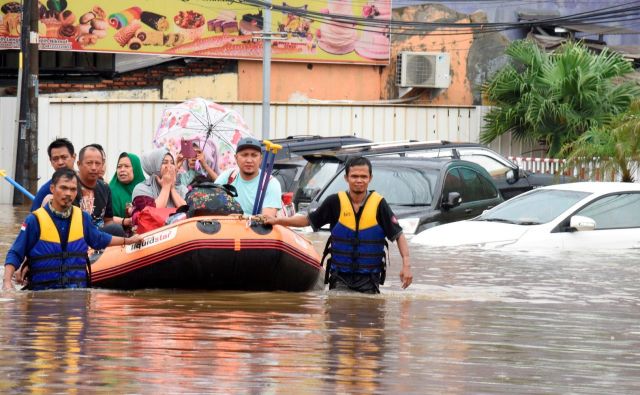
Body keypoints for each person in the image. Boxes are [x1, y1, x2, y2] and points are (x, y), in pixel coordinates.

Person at [261, 156, 412, 293]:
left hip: (369, 280)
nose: (359, 180)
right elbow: (308, 220)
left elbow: (398, 235)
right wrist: (277, 220)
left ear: (370, 178)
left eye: (363, 176)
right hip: (340, 278)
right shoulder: (334, 202)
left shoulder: (379, 204)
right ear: (346, 178)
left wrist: (406, 265)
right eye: (354, 176)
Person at [2, 168, 143, 291]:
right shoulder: (34, 220)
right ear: (52, 189)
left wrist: (128, 240)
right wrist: (7, 282)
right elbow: (15, 252)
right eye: (63, 188)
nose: (68, 193)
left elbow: (99, 239)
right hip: (42, 294)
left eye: (73, 189)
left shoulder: (83, 218)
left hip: (76, 293)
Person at [214, 137, 282, 216]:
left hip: (255, 228)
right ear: (236, 158)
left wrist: (240, 218)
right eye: (244, 155)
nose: (249, 160)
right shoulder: (228, 176)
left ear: (260, 159)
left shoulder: (270, 183)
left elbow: (267, 218)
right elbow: (212, 200)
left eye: (254, 155)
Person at [31, 138, 78, 211]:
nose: (60, 162)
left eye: (64, 157)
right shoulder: (45, 191)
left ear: (74, 157)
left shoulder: (87, 183)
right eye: (55, 159)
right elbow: (33, 219)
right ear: (50, 161)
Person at [77, 145, 115, 231]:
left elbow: (108, 220)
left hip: (100, 237)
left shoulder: (105, 188)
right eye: (89, 163)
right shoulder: (70, 187)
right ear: (79, 164)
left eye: (98, 163)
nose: (94, 168)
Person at [109, 152, 145, 230]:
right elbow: (105, 219)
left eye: (126, 166)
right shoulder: (110, 190)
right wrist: (125, 221)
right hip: (118, 235)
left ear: (136, 168)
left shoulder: (146, 189)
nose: (122, 170)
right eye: (119, 167)